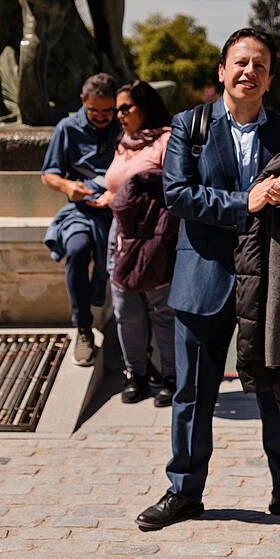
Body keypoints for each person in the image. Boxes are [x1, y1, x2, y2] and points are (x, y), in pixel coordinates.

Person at [135, 28, 280, 531]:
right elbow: (177, 194)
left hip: (272, 281)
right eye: (240, 62)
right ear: (222, 71)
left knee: (278, 391)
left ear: (269, 79)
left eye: (259, 65)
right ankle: (184, 492)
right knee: (192, 395)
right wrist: (245, 203)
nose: (249, 71)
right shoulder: (188, 125)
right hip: (203, 279)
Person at [103, 80, 178, 406]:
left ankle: (171, 377)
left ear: (144, 107)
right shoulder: (124, 142)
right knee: (124, 308)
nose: (119, 115)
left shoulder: (166, 139)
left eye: (125, 108)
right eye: (117, 109)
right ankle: (135, 374)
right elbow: (118, 184)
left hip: (154, 234)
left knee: (161, 308)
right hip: (120, 233)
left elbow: (174, 186)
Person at [42, 73, 121, 366]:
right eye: (94, 110)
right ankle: (83, 327)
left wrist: (117, 193)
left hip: (118, 210)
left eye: (108, 111)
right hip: (81, 211)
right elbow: (48, 174)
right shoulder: (67, 128)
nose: (101, 117)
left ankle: (128, 336)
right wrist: (67, 187)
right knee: (76, 249)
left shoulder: (125, 125)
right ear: (82, 101)